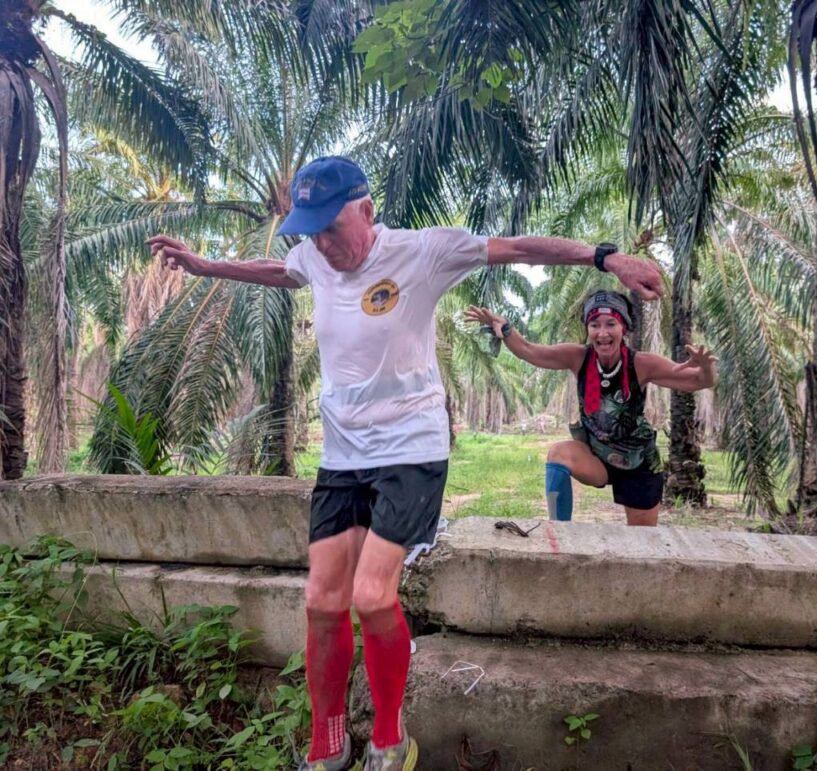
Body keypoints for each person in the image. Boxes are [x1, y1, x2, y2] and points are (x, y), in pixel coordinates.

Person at [145, 156, 662, 771]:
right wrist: (207, 265)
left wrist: (607, 258)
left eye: (330, 227)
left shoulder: (422, 252)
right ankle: (328, 742)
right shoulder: (314, 253)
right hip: (342, 457)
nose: (320, 243)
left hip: (412, 451)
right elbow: (282, 271)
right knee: (322, 599)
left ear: (366, 211)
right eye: (310, 230)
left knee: (371, 594)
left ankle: (391, 740)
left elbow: (519, 247)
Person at [466, 290, 716, 527]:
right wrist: (506, 329)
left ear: (624, 327)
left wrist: (705, 367)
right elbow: (529, 351)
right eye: (595, 325)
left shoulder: (642, 363)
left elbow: (698, 381)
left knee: (642, 542)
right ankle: (559, 535)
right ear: (588, 329)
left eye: (610, 324)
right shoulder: (578, 357)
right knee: (558, 453)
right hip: (598, 459)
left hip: (639, 463)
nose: (602, 333)